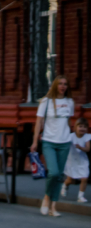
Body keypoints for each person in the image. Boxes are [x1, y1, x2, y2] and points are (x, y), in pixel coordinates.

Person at [30, 75, 75, 217]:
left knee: (60, 175)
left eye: (65, 84)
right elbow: (38, 123)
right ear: (55, 85)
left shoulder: (70, 102)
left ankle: (53, 207)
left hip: (65, 142)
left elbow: (68, 122)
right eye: (60, 83)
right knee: (53, 173)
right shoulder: (46, 102)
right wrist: (35, 141)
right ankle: (47, 197)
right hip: (49, 141)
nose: (63, 86)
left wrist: (71, 138)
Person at [61, 117, 90, 203]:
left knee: (84, 178)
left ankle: (80, 196)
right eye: (80, 126)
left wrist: (81, 147)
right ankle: (65, 186)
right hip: (71, 161)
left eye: (85, 127)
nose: (82, 128)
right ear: (76, 127)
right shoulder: (71, 136)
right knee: (70, 179)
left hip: (82, 161)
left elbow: (88, 149)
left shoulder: (87, 137)